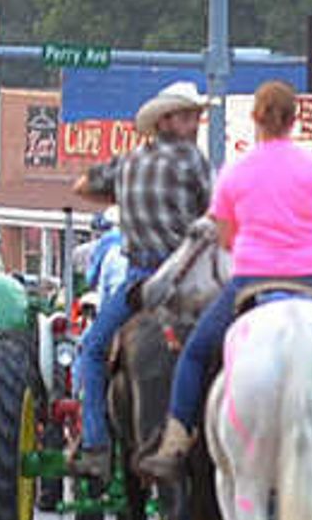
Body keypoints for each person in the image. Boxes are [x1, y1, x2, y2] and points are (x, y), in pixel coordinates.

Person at [135, 81, 312, 481]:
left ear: (256, 119)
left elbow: (227, 238)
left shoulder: (236, 170)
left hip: (251, 279)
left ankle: (176, 438)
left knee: (196, 355)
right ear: (294, 119)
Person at [72, 82, 215, 459]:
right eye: (189, 116)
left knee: (92, 349)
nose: (196, 123)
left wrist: (120, 194)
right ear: (167, 121)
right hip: (188, 283)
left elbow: (82, 185)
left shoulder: (127, 163)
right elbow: (215, 212)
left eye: (197, 116)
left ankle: (96, 441)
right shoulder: (194, 161)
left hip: (139, 282)